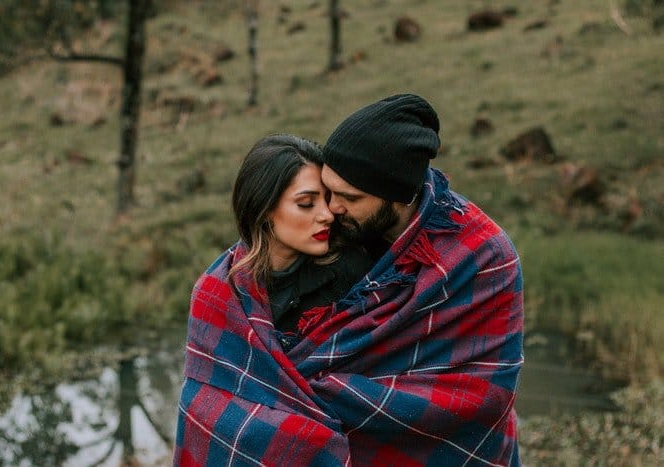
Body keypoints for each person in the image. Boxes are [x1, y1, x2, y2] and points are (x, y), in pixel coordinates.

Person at [312, 93, 524, 465]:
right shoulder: (332, 232)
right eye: (328, 190)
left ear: (400, 196)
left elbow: (485, 395)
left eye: (350, 197)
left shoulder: (484, 256)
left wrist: (316, 388)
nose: (331, 207)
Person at [174, 134, 372, 466]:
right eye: (307, 203)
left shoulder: (354, 273)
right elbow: (206, 405)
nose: (327, 215)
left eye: (327, 200)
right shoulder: (219, 292)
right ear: (264, 209)